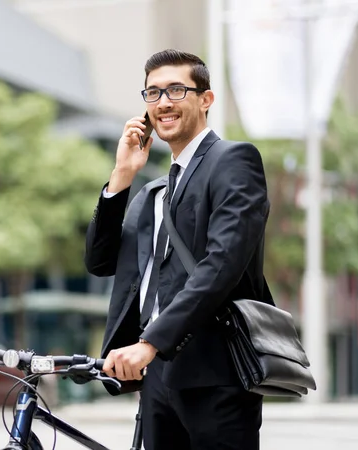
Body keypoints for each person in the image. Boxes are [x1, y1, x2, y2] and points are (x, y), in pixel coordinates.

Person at [85, 49, 270, 450]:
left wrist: (150, 343)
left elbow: (221, 265)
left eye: (176, 89)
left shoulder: (233, 161)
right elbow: (99, 262)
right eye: (152, 93)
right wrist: (121, 176)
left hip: (215, 377)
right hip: (155, 380)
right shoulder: (153, 191)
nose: (163, 102)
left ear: (205, 99)